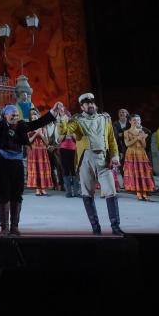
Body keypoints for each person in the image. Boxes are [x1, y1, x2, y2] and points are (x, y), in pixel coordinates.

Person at [0, 103, 60, 234]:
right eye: (12, 114)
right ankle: (4, 228)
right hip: (2, 163)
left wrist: (52, 112)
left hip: (17, 163)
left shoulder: (21, 125)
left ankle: (14, 227)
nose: (15, 117)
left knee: (17, 195)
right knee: (3, 195)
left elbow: (37, 123)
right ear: (5, 115)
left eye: (16, 115)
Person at [56, 93, 124, 235]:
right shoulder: (77, 120)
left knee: (111, 191)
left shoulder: (105, 118)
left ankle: (115, 226)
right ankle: (95, 227)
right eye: (87, 103)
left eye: (92, 102)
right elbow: (65, 131)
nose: (91, 105)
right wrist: (62, 117)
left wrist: (115, 156)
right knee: (87, 193)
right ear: (82, 107)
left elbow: (111, 139)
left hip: (103, 159)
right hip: (85, 159)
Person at [122, 115, 155, 200]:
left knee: (143, 172)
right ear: (130, 121)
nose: (136, 121)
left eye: (138, 120)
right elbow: (127, 144)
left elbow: (144, 145)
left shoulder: (141, 131)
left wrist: (142, 139)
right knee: (134, 172)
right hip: (131, 153)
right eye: (134, 120)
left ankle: (144, 191)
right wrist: (137, 138)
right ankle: (138, 192)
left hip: (141, 152)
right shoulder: (126, 132)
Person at [25, 108, 54, 196]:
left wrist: (41, 134)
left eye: (36, 117)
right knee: (36, 169)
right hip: (33, 151)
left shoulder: (43, 128)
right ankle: (37, 189)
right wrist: (35, 134)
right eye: (32, 118)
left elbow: (47, 142)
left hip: (42, 151)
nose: (34, 118)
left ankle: (43, 188)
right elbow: (28, 141)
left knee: (42, 169)